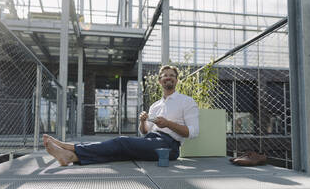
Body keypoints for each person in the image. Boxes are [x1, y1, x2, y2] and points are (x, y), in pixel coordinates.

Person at [43, 65, 199, 166]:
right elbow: (145, 132)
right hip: (151, 140)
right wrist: (142, 122)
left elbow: (193, 132)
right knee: (119, 152)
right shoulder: (155, 106)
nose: (168, 77)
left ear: (177, 80)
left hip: (169, 147)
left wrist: (168, 124)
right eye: (164, 75)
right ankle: (71, 158)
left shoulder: (186, 101)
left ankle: (70, 147)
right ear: (160, 81)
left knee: (121, 142)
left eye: (171, 75)